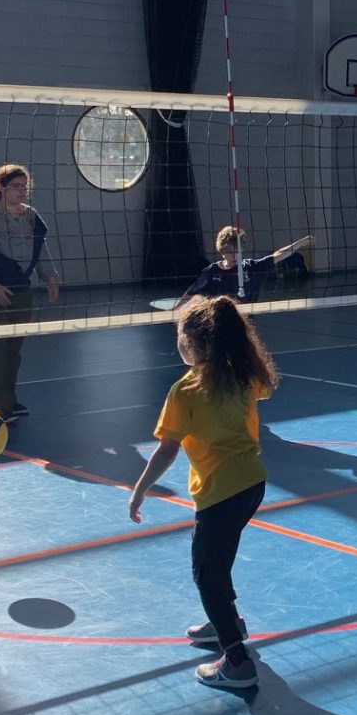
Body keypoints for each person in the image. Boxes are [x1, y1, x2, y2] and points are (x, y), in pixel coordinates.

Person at [128, 294, 278, 692]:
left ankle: (237, 661)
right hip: (252, 484)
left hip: (220, 492)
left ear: (192, 342)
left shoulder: (186, 390)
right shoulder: (239, 375)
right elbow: (263, 386)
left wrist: (140, 490)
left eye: (179, 336)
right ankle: (227, 623)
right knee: (218, 561)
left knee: (206, 574)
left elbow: (167, 449)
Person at [0, 164, 60, 424]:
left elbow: (40, 249)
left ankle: (9, 400)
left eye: (25, 186)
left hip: (20, 289)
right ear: (2, 187)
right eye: (16, 186)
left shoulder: (31, 216)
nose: (21, 191)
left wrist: (49, 277)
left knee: (14, 348)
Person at [181, 226, 313, 305]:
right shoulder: (212, 272)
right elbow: (190, 292)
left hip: (244, 326)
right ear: (222, 251)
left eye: (237, 251)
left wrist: (300, 243)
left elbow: (278, 254)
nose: (234, 255)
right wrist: (174, 312)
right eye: (230, 251)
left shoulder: (252, 268)